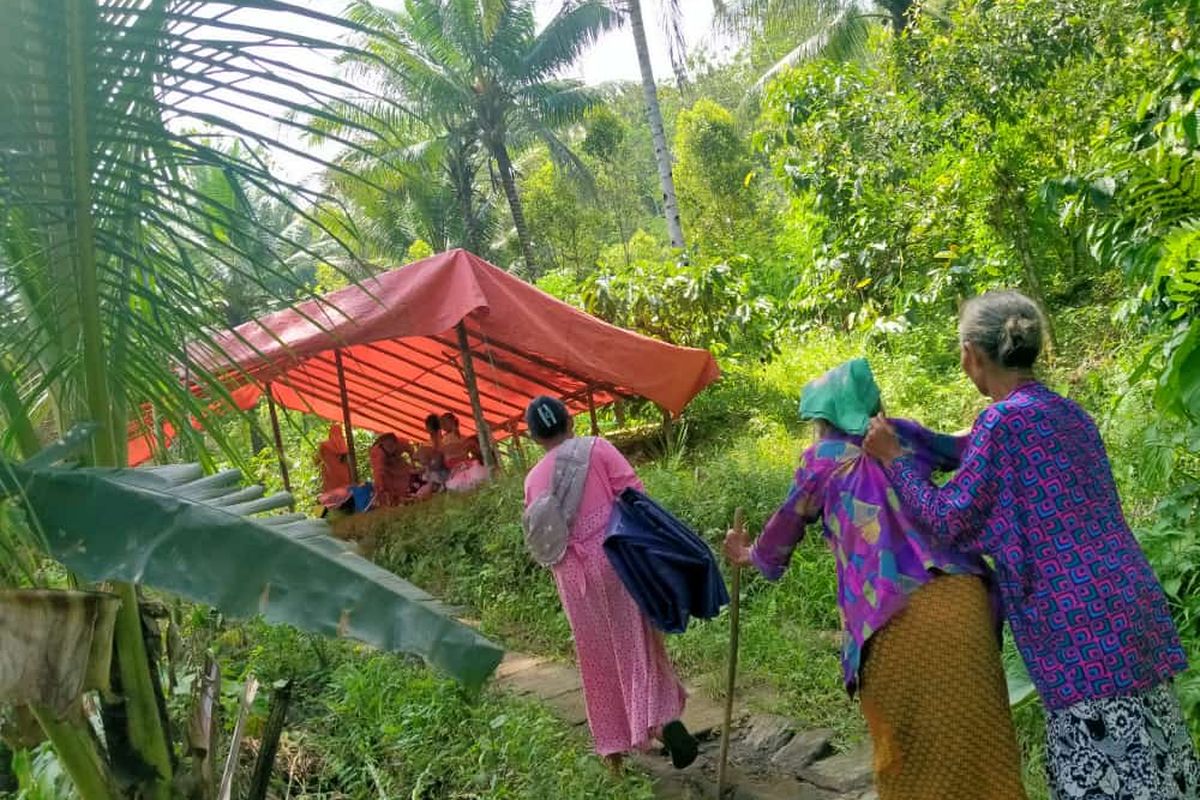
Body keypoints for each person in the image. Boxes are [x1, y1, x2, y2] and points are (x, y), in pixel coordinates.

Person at [864, 290, 1199, 799]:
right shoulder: (1069, 414)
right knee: (1156, 753)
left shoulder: (1001, 424)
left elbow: (950, 518)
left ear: (970, 356)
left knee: (1102, 770)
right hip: (1130, 601)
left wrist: (894, 460)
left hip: (1076, 626)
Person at [724, 359, 1027, 800]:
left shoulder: (820, 462)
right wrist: (1007, 398)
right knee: (982, 739)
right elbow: (967, 444)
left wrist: (744, 553)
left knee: (908, 758)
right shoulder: (902, 435)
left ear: (822, 420)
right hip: (964, 598)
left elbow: (779, 538)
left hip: (889, 616)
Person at [521, 395, 698, 772]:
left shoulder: (533, 479)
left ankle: (614, 754)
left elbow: (540, 539)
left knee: (597, 660)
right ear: (570, 421)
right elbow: (635, 495)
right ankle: (663, 723)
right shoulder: (596, 448)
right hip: (617, 559)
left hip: (573, 574)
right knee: (639, 644)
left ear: (535, 438)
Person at [440, 412, 489, 492]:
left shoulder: (460, 437)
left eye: (445, 423)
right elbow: (447, 452)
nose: (443, 426)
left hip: (463, 461)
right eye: (442, 424)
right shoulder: (446, 439)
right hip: (454, 463)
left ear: (452, 422)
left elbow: (464, 450)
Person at [370, 433, 415, 508]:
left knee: (409, 474)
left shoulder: (401, 443)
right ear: (382, 445)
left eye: (392, 446)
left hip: (398, 463)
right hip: (385, 470)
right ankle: (391, 502)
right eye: (388, 446)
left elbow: (411, 450)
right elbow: (378, 473)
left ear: (396, 443)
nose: (390, 449)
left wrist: (413, 463)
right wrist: (381, 486)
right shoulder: (377, 453)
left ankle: (410, 495)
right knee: (386, 484)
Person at [317, 423, 352, 493]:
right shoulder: (344, 446)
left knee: (334, 499)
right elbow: (349, 463)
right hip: (345, 478)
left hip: (331, 478)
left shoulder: (323, 445)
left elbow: (318, 460)